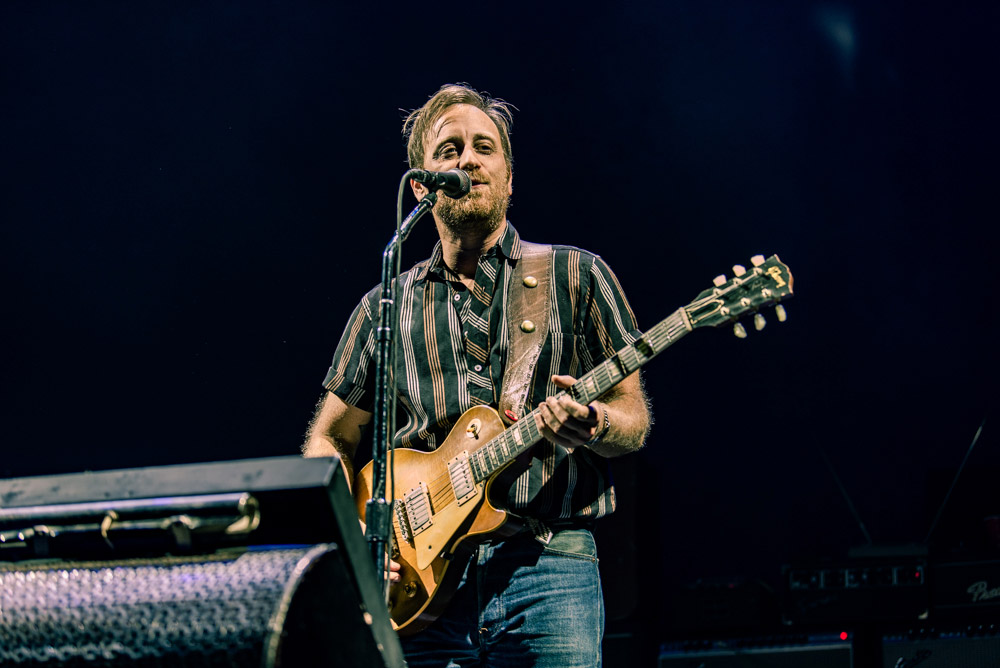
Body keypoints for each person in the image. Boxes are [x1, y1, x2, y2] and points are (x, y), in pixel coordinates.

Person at [303, 83, 651, 668]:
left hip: (549, 572)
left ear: (509, 177)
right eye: (450, 149)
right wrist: (354, 539)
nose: (468, 159)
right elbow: (330, 437)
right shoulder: (386, 304)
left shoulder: (576, 275)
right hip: (419, 587)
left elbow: (633, 417)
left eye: (484, 147)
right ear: (422, 186)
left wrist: (593, 424)